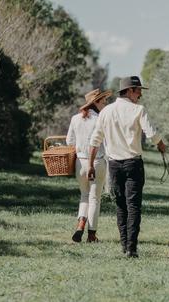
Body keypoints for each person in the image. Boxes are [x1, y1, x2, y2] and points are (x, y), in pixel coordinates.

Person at [87, 76, 166, 258]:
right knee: (134, 206)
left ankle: (124, 244)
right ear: (129, 91)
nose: (140, 95)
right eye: (138, 91)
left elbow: (95, 140)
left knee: (121, 206)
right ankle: (131, 247)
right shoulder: (138, 110)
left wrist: (90, 164)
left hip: (113, 165)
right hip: (133, 164)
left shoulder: (106, 111)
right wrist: (161, 145)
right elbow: (151, 133)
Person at [66, 88, 112, 243]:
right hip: (97, 162)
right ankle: (91, 235)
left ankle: (80, 225)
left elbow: (69, 142)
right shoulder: (101, 119)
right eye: (103, 101)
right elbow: (106, 143)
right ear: (96, 103)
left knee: (84, 196)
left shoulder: (75, 119)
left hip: (80, 162)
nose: (105, 104)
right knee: (95, 199)